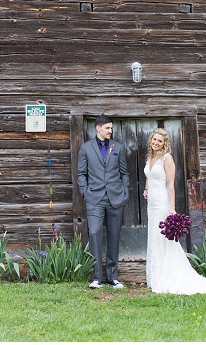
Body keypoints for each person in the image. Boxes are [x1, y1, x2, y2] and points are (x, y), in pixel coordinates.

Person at [143, 128, 206, 294]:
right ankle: (156, 276)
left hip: (162, 203)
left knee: (164, 239)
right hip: (152, 204)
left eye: (159, 141)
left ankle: (169, 276)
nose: (156, 143)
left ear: (164, 144)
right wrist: (146, 189)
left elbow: (170, 184)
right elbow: (149, 176)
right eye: (154, 139)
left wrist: (172, 208)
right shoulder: (151, 157)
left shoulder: (166, 158)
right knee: (154, 237)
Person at [76, 114, 130, 289]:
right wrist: (85, 192)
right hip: (94, 198)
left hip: (116, 198)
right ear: (98, 128)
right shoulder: (85, 148)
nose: (110, 131)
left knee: (114, 235)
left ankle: (112, 277)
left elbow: (124, 173)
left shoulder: (118, 147)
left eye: (111, 128)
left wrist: (125, 192)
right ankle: (97, 277)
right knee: (94, 233)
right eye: (107, 128)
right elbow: (81, 174)